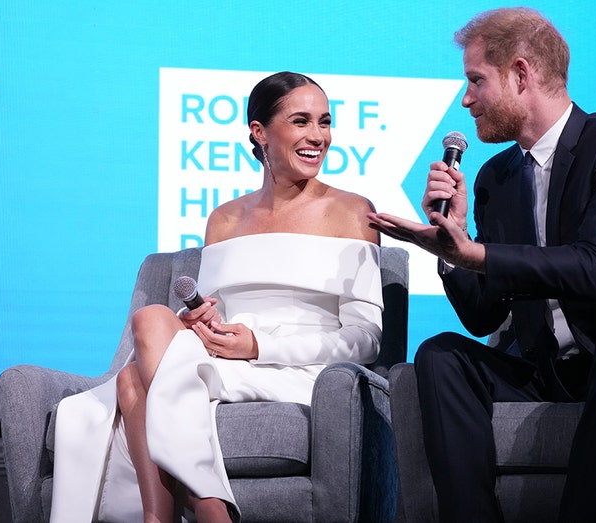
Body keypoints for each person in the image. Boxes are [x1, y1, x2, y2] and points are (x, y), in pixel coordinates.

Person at [367, 7, 596, 522]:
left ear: (521, 74)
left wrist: (476, 254)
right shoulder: (496, 177)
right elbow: (482, 318)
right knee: (442, 353)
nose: (466, 99)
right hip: (549, 369)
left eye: (475, 81)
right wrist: (451, 249)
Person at [50, 72, 383, 523]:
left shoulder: (353, 211)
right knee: (151, 323)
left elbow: (365, 340)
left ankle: (195, 513)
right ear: (259, 131)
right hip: (226, 362)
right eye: (301, 121)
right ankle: (186, 513)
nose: (317, 136)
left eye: (324, 122)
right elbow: (216, 316)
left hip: (305, 371)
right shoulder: (224, 219)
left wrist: (260, 346)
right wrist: (205, 327)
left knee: (136, 380)